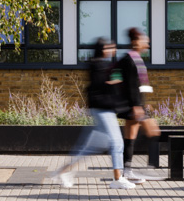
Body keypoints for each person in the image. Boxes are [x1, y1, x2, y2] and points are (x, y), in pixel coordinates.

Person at [54, 38, 135, 189]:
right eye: (110, 47)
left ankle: (63, 171)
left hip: (105, 110)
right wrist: (113, 83)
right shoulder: (97, 65)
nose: (113, 50)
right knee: (117, 142)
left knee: (89, 148)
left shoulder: (103, 65)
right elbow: (99, 87)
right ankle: (118, 179)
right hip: (102, 110)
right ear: (103, 49)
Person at [117, 28, 161, 184]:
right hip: (132, 106)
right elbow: (130, 85)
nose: (147, 46)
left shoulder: (134, 59)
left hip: (134, 105)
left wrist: (142, 103)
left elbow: (137, 84)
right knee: (153, 131)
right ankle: (143, 168)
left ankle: (127, 170)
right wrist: (137, 105)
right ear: (136, 42)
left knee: (130, 138)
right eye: (145, 42)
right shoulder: (130, 59)